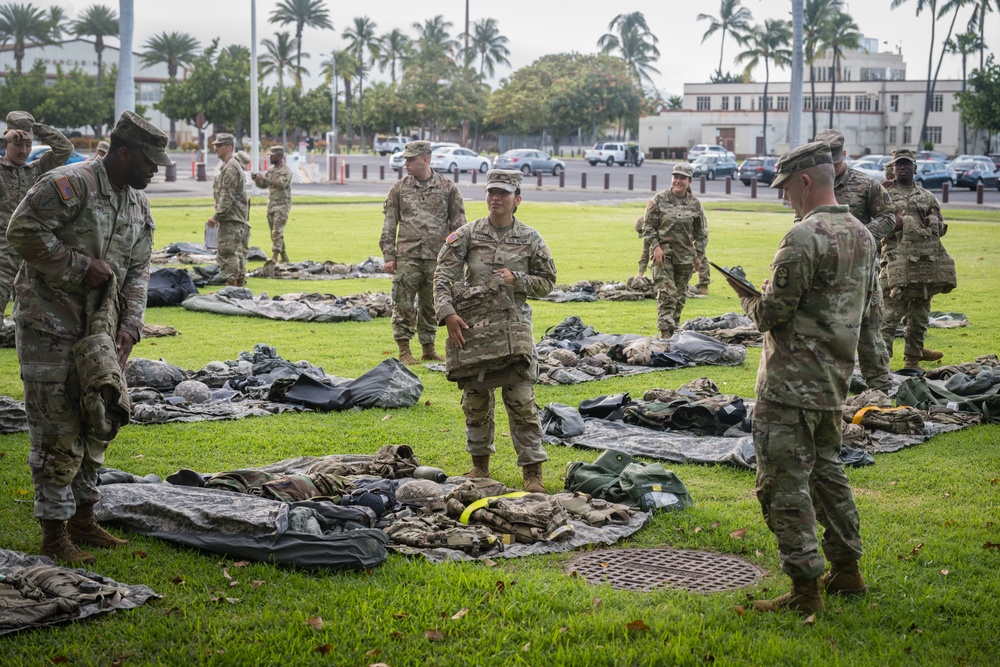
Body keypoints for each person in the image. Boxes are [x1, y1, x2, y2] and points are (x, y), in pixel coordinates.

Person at [6, 110, 169, 564]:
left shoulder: (137, 203)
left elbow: (138, 269)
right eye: (149, 161)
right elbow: (21, 231)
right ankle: (54, 534)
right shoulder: (71, 184)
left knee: (99, 419)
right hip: (50, 325)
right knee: (56, 429)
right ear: (123, 152)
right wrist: (79, 266)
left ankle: (83, 517)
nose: (156, 170)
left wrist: (130, 325)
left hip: (101, 335)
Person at [726, 141, 876, 614]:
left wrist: (745, 295)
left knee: (782, 485)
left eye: (786, 187)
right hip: (834, 381)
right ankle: (847, 570)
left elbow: (771, 313)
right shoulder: (863, 235)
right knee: (828, 474)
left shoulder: (802, 237)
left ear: (806, 181)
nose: (784, 197)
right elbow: (863, 310)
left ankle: (805, 590)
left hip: (789, 386)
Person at [434, 169, 556, 492]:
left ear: (518, 199)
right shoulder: (468, 235)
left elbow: (548, 282)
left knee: (520, 398)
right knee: (474, 398)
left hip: (514, 330)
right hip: (473, 331)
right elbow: (442, 276)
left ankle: (533, 473)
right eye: (491, 192)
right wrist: (447, 314)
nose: (495, 198)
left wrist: (520, 279)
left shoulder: (531, 239)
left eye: (503, 193)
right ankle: (479, 466)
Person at [816, 129, 895, 393]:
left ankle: (881, 389)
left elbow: (889, 217)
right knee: (827, 332)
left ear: (845, 155)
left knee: (870, 333)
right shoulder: (813, 185)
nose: (831, 166)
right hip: (826, 273)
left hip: (862, 274)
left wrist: (861, 237)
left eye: (835, 160)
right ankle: (828, 388)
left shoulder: (866, 185)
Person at [380, 140, 466, 364]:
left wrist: (456, 257)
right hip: (407, 256)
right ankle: (404, 350)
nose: (406, 163)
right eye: (405, 159)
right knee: (403, 303)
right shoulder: (399, 188)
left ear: (425, 159)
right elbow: (390, 224)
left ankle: (428, 348)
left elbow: (458, 225)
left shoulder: (447, 188)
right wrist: (389, 256)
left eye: (411, 159)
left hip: (437, 257)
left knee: (432, 304)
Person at [880, 149, 956, 371]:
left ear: (915, 168)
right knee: (890, 313)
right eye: (898, 164)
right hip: (894, 261)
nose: (902, 167)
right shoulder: (883, 195)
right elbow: (873, 228)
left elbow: (940, 230)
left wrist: (934, 223)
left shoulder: (927, 196)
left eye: (907, 164)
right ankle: (881, 364)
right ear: (892, 169)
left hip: (924, 262)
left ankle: (913, 359)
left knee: (920, 312)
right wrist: (897, 224)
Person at [0, 111, 73, 315]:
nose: (24, 150)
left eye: (28, 145)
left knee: (33, 317)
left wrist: (36, 128)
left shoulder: (37, 169)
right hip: (3, 256)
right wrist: (4, 138)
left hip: (32, 256)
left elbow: (65, 149)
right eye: (18, 144)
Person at [642, 162, 708, 337]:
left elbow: (701, 233)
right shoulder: (659, 200)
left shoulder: (695, 204)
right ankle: (665, 334)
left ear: (689, 181)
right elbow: (648, 226)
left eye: (682, 178)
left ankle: (673, 332)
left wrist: (699, 255)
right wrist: (655, 247)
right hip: (662, 257)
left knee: (679, 297)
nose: (678, 181)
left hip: (685, 258)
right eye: (675, 177)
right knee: (667, 293)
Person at [206, 133, 249, 287]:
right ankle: (238, 288)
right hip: (235, 218)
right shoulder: (230, 165)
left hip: (230, 218)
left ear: (229, 147)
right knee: (236, 253)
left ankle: (231, 289)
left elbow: (227, 196)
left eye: (219, 146)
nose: (215, 148)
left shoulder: (230, 167)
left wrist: (216, 216)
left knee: (227, 253)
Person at [251, 146, 293, 263]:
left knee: (277, 231)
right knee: (273, 231)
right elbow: (264, 185)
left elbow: (281, 185)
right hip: (272, 203)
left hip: (282, 203)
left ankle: (275, 256)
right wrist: (257, 179)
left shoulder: (285, 170)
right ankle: (284, 256)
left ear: (279, 156)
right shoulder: (271, 170)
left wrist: (264, 179)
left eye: (272, 155)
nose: (270, 157)